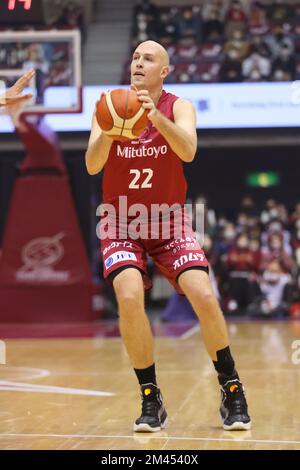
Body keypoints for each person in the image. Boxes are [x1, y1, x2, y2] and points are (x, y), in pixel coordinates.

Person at [85, 40, 251, 432]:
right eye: (136, 57)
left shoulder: (178, 106)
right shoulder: (108, 104)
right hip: (120, 219)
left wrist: (151, 118)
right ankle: (149, 397)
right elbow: (92, 165)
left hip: (168, 220)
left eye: (149, 59)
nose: (138, 63)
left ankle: (231, 387)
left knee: (204, 295)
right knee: (128, 294)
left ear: (165, 72)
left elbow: (189, 149)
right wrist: (111, 130)